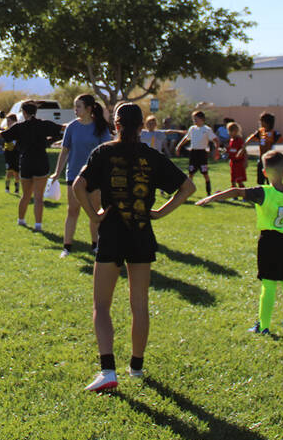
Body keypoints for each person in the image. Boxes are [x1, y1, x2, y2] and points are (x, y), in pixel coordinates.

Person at [74, 102, 194, 392]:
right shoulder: (151, 155)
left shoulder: (103, 152)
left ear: (116, 125)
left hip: (112, 232)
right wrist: (160, 213)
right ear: (142, 126)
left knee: (101, 305)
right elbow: (188, 187)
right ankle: (136, 367)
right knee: (139, 305)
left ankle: (107, 371)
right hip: (142, 232)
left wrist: (95, 216)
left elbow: (79, 186)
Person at [196, 151, 283, 334]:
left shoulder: (263, 193)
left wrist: (212, 197)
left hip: (269, 242)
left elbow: (236, 191)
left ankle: (263, 326)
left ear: (264, 173)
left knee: (268, 284)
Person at [0, 100, 63, 231]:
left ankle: (21, 220)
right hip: (41, 162)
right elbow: (62, 127)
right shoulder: (43, 124)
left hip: (26, 162)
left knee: (26, 195)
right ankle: (38, 225)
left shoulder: (19, 127)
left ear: (24, 112)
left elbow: (1, 135)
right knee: (38, 197)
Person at [53, 93, 112, 257]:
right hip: (73, 175)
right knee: (72, 211)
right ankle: (67, 247)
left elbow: (106, 152)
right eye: (75, 106)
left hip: (94, 177)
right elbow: (64, 151)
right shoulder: (72, 127)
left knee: (94, 212)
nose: (75, 110)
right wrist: (57, 173)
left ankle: (96, 245)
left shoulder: (100, 127)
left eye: (78, 106)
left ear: (88, 108)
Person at [245, 112, 283, 185]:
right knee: (260, 182)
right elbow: (250, 139)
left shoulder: (274, 133)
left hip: (270, 161)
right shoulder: (260, 132)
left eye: (261, 121)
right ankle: (262, 195)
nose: (259, 122)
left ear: (267, 122)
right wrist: (243, 147)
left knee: (270, 180)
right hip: (261, 160)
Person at [176, 110, 219, 196]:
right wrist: (179, 146)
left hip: (202, 153)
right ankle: (187, 191)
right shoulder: (192, 129)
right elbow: (186, 138)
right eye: (193, 119)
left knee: (205, 174)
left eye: (196, 119)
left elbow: (216, 140)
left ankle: (208, 192)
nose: (194, 121)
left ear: (202, 119)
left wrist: (216, 151)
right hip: (193, 153)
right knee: (191, 173)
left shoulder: (207, 129)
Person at [1, 113, 20, 193]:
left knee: (16, 172)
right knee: (9, 170)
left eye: (9, 121)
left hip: (16, 153)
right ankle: (7, 187)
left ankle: (17, 188)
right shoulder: (6, 130)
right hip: (8, 153)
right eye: (7, 121)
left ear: (14, 121)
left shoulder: (18, 130)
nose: (8, 122)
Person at [225, 122, 248, 188]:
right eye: (228, 131)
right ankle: (234, 196)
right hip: (233, 163)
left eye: (230, 131)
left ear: (235, 131)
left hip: (239, 163)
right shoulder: (231, 140)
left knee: (239, 180)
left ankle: (244, 194)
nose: (229, 133)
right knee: (233, 180)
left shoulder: (239, 140)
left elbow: (244, 151)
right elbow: (231, 150)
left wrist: (245, 161)